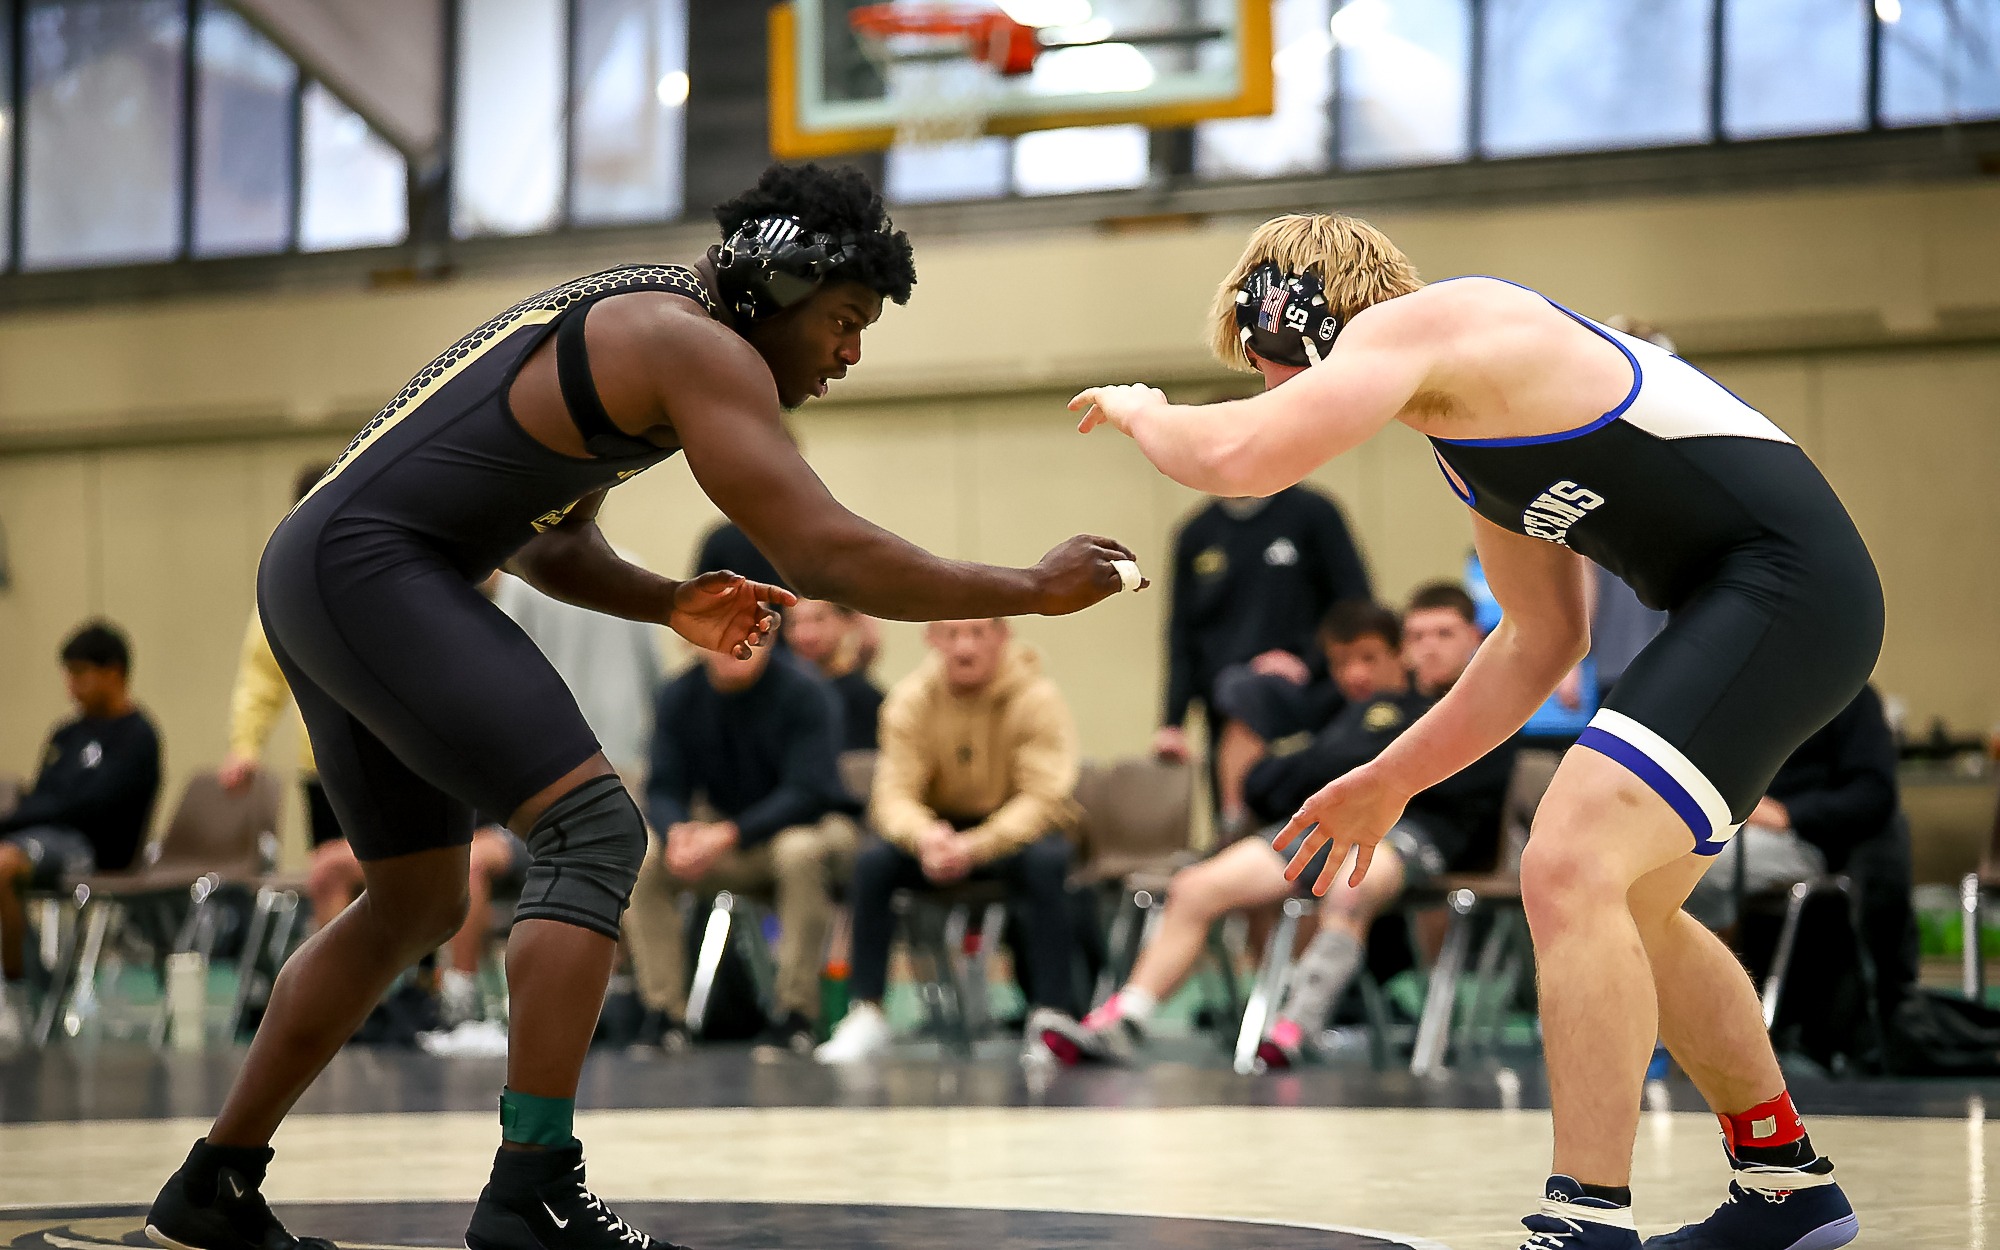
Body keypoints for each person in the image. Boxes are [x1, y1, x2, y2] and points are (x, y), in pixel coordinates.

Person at [143, 162, 1137, 1250]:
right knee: (595, 830)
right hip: (374, 571)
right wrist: (1029, 587)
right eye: (846, 320)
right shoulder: (690, 342)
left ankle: (215, 1181)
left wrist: (666, 601)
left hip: (326, 568)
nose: (850, 353)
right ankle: (531, 1187)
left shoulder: (642, 315)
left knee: (416, 903)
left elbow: (545, 541)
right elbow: (824, 553)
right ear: (782, 279)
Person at [1072, 213, 1879, 1249]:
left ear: (1299, 316)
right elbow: (1539, 640)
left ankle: (1586, 1216)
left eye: (1267, 363)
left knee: (1567, 862)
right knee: (1632, 904)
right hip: (1761, 599)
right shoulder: (1466, 435)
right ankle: (1785, 1185)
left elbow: (1240, 456)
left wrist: (1144, 411)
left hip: (1781, 588)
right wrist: (1388, 777)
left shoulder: (1433, 320)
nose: (1274, 390)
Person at [1042, 599, 1467, 1067]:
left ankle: (1296, 1027)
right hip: (1327, 826)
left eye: (1443, 635)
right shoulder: (1338, 710)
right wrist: (1332, 763)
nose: (1428, 648)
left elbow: (1441, 785)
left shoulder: (1469, 708)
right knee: (1196, 886)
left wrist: (1327, 766)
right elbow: (1264, 782)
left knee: (1350, 887)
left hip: (1413, 832)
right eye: (1419, 636)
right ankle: (1125, 1019)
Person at [815, 617, 1083, 1064]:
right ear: (931, 639)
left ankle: (1051, 1016)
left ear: (1002, 637)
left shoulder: (1039, 699)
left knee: (1047, 863)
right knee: (873, 863)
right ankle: (868, 1011)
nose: (964, 648)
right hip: (938, 833)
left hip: (1012, 833)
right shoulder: (910, 700)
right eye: (951, 634)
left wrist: (977, 845)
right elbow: (893, 794)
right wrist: (924, 836)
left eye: (977, 633)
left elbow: (1043, 798)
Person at [623, 640, 854, 1055]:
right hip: (723, 834)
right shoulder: (679, 695)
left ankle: (796, 1015)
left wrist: (727, 834)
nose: (736, 644)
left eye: (748, 629)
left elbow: (808, 791)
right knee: (646, 858)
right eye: (719, 629)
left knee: (799, 852)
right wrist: (677, 833)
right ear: (694, 639)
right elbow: (663, 786)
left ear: (768, 632)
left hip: (807, 827)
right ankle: (664, 1015)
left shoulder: (805, 692)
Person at [1684, 685, 1915, 1030]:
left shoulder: (1849, 695)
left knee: (1694, 867)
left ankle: (1714, 1012)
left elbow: (1874, 794)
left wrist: (1789, 814)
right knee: (1656, 858)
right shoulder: (1738, 692)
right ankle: (1693, 1007)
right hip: (1729, 825)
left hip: (1804, 840)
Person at [1155, 486, 1371, 834]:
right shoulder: (1196, 533)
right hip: (1224, 700)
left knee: (1247, 694)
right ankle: (1235, 828)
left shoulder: (1314, 513)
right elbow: (1181, 634)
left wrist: (1308, 660)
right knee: (1239, 691)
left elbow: (1355, 604)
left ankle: (1248, 827)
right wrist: (1172, 723)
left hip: (1314, 686)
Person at [0, 622, 163, 1039]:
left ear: (113, 672)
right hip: (44, 839)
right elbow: (43, 797)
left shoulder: (138, 737)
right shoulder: (66, 734)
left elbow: (94, 808)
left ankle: (19, 995)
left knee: (4, 866)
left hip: (94, 849)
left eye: (80, 673)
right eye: (68, 675)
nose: (71, 686)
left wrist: (20, 819)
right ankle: (38, 982)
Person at [785, 597, 885, 751]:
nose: (805, 634)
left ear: (846, 622)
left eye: (818, 620)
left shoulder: (867, 699)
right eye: (794, 623)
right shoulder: (786, 696)